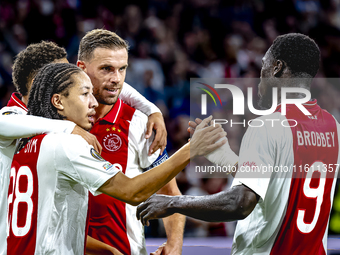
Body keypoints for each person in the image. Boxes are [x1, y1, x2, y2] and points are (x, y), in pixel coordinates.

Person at [137, 33, 339, 254]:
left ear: (277, 68)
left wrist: (171, 204)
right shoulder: (332, 126)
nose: (260, 76)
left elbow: (240, 203)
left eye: (264, 65)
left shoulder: (269, 125)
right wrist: (226, 158)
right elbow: (280, 186)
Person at [6, 62, 225, 254]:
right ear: (58, 101)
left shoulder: (21, 139)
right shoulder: (68, 144)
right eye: (85, 94)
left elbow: (50, 221)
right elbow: (132, 192)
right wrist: (190, 150)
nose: (93, 103)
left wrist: (107, 250)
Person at [0, 40, 168, 255]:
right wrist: (68, 127)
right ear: (40, 81)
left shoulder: (43, 123)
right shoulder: (16, 118)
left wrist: (151, 109)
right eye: (63, 74)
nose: (74, 77)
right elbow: (131, 191)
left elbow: (105, 85)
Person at [77, 29, 185, 255]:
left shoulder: (139, 124)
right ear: (82, 69)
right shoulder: (57, 121)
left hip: (125, 250)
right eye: (106, 68)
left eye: (122, 69)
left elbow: (170, 191)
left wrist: (174, 245)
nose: (116, 78)